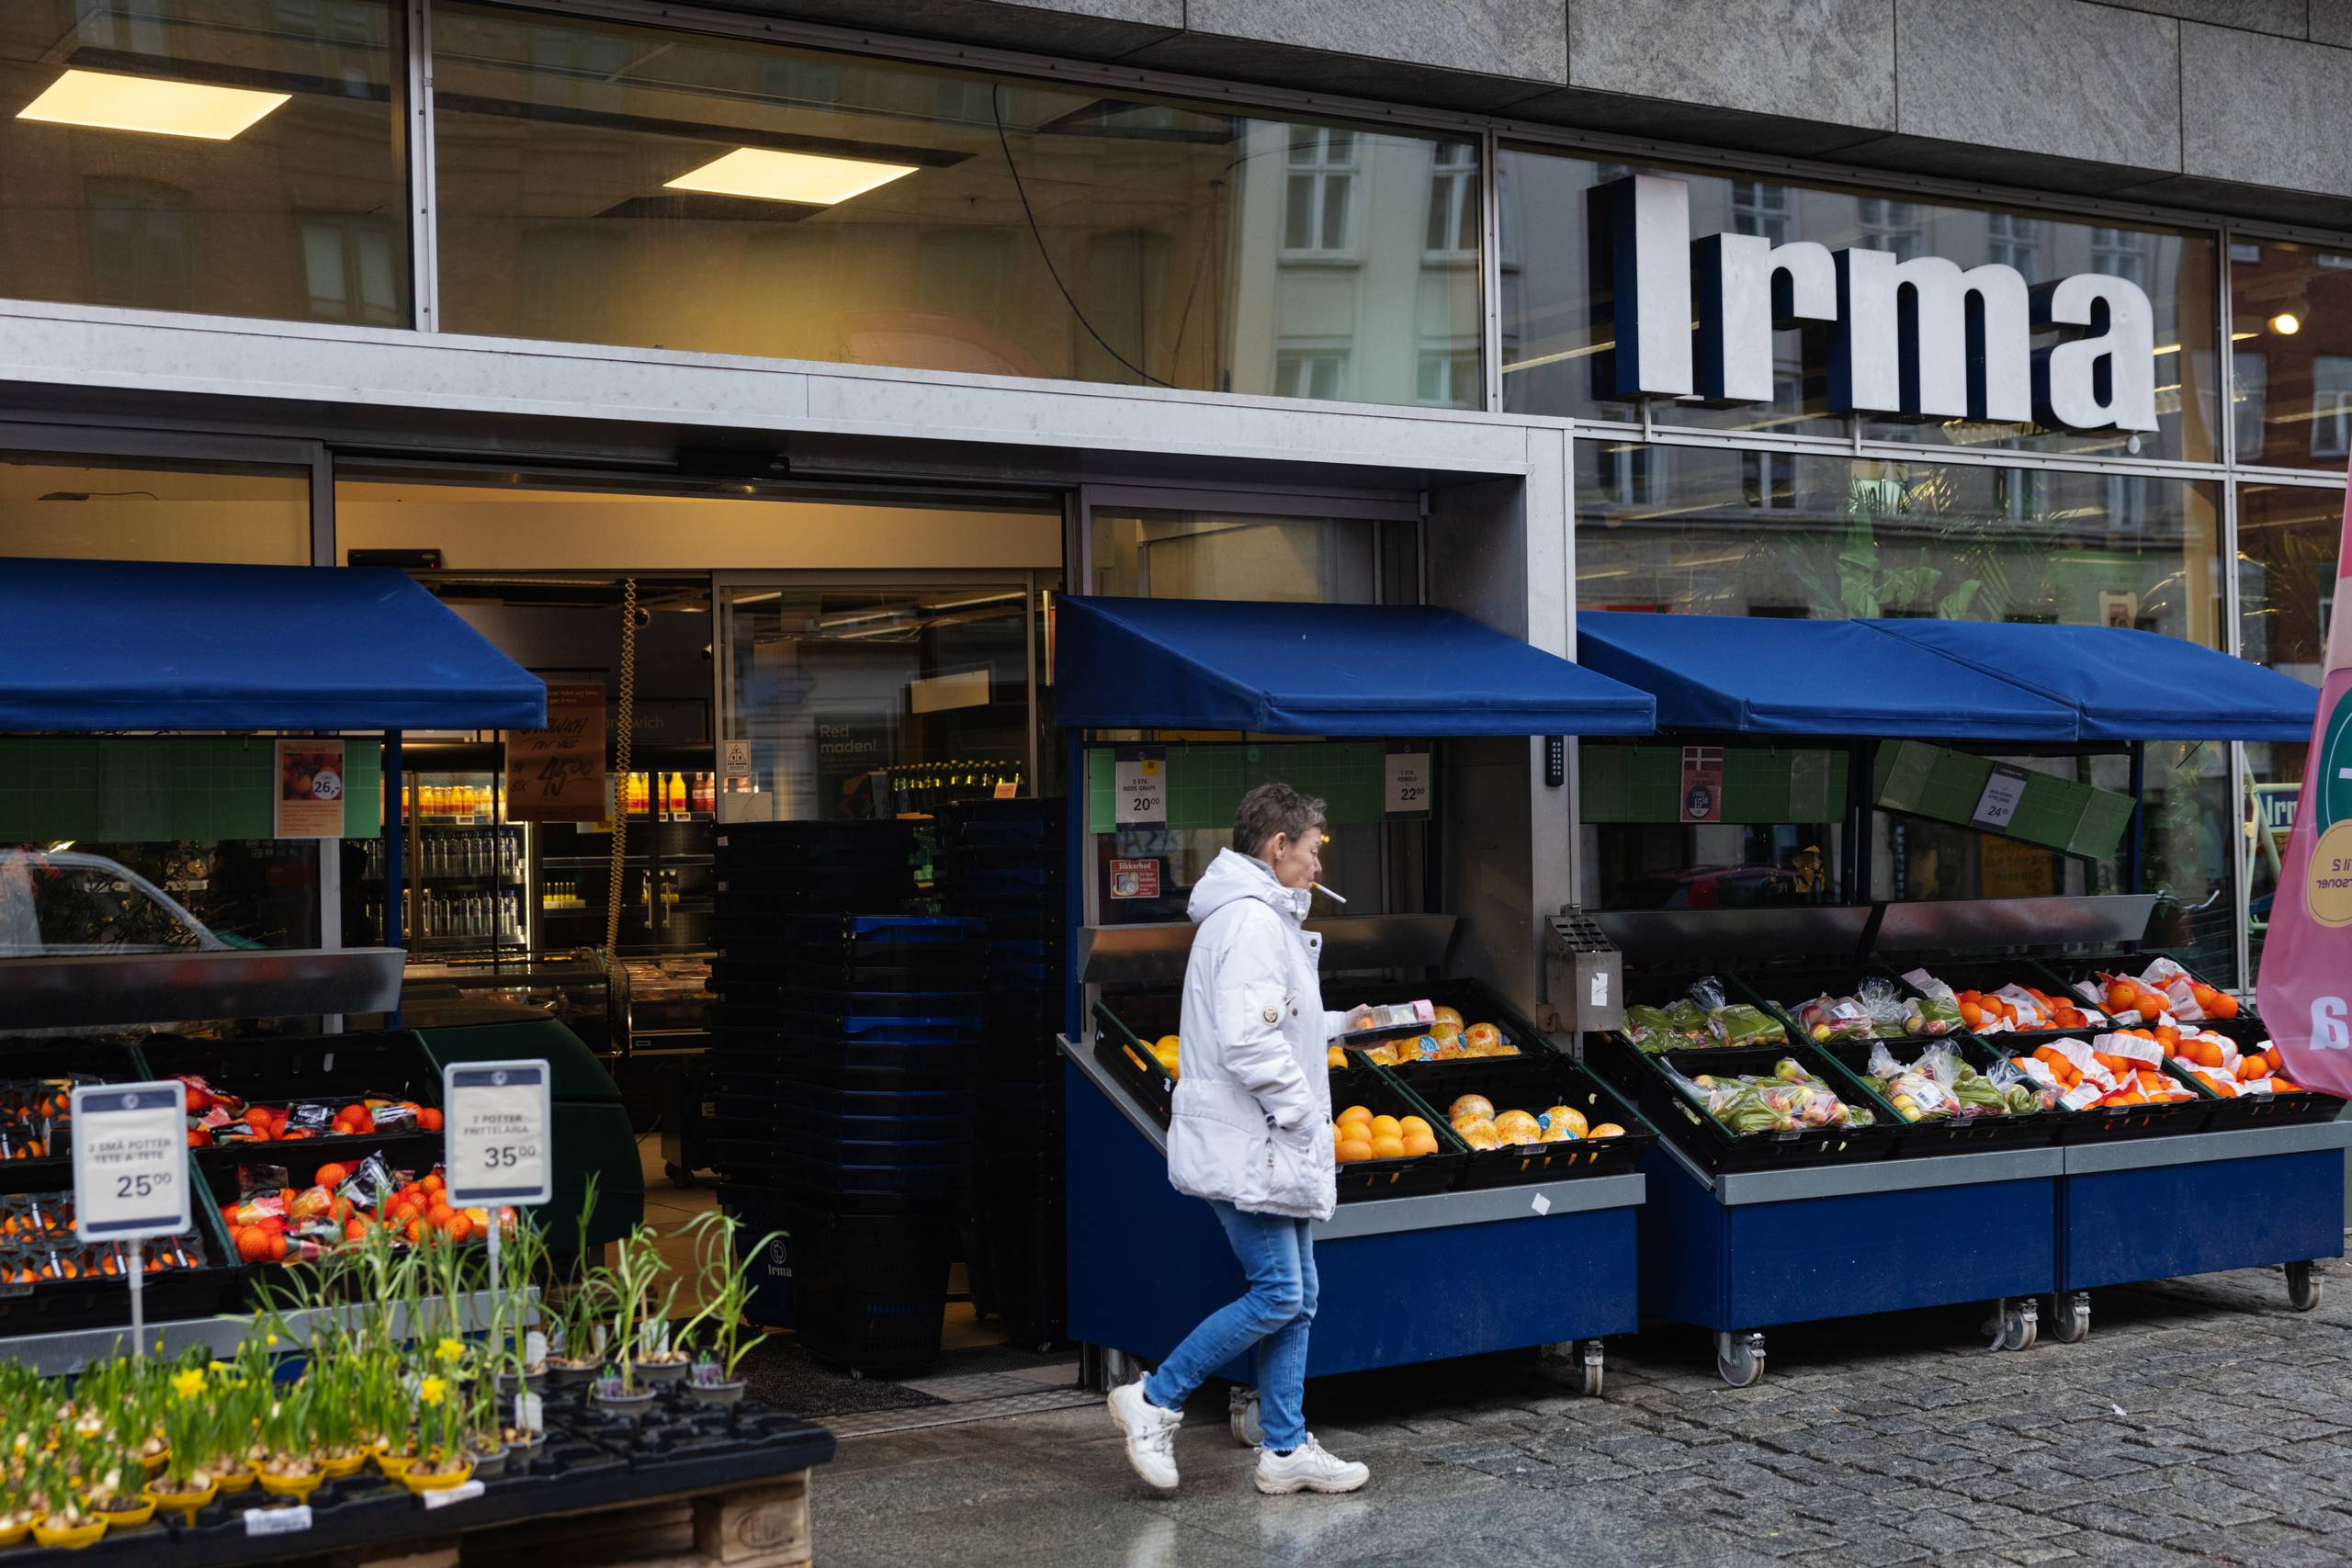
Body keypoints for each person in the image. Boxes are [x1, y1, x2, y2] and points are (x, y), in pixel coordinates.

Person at [1106, 783, 1372, 1496]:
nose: (1319, 863)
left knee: (1299, 1290)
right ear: (1277, 846)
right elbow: (1251, 1045)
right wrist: (1303, 1117)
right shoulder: (1252, 921)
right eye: (1313, 849)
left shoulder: (1258, 916)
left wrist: (1344, 1025)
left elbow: (1273, 1022)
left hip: (1261, 1138)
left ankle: (1284, 1449)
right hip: (1256, 1139)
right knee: (1282, 1289)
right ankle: (1156, 1398)